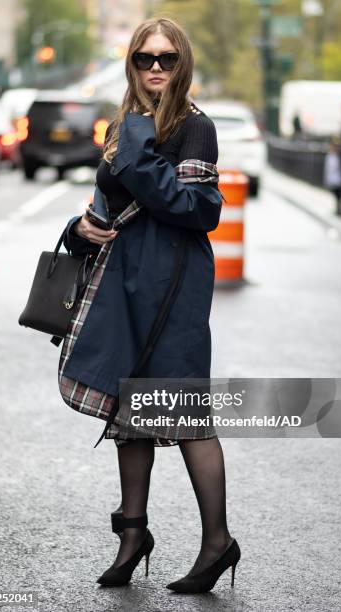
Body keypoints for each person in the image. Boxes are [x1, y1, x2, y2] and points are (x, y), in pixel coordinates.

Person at [61, 17, 241, 593]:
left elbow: (199, 210)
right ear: (132, 64)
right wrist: (78, 229)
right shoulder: (123, 125)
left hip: (174, 286)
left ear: (182, 63)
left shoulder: (194, 127)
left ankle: (218, 542)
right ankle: (132, 535)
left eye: (167, 58)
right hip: (121, 285)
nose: (156, 67)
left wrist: (138, 145)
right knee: (129, 415)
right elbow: (103, 205)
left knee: (184, 410)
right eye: (145, 59)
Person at [323, 140, 341, 215]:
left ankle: (340, 209)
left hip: (339, 180)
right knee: (336, 195)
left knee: (339, 195)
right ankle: (338, 208)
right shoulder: (329, 156)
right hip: (333, 180)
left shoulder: (338, 157)